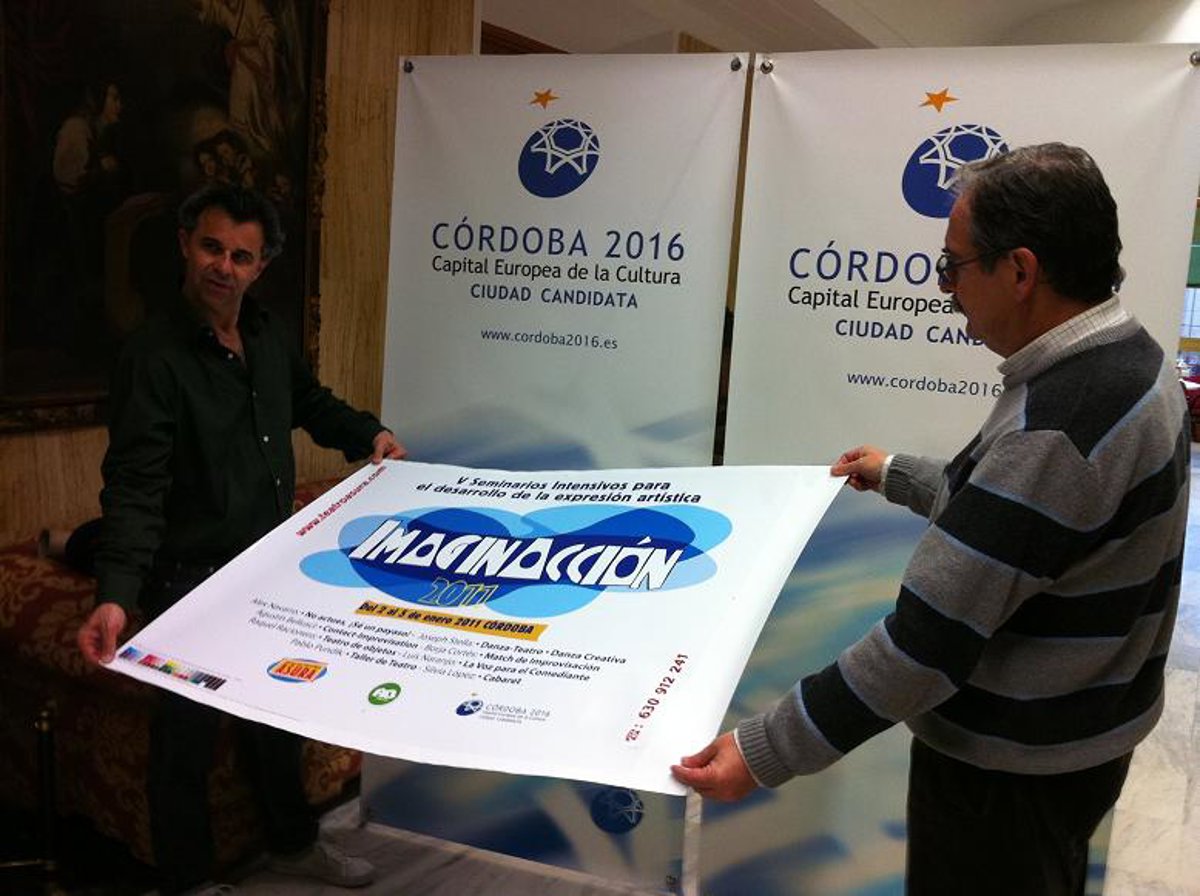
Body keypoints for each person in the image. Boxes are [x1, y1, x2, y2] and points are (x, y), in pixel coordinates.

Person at [671, 144, 1189, 895]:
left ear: (1020, 271)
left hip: (1006, 780)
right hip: (1081, 737)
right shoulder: (1133, 361)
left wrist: (764, 750)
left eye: (954, 266)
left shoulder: (1058, 425)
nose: (946, 290)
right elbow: (1034, 529)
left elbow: (925, 647)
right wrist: (900, 474)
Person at [76, 183, 406, 896]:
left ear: (261, 266)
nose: (223, 266)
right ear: (184, 245)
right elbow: (134, 485)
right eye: (211, 247)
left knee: (278, 715)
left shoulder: (265, 333)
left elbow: (308, 401)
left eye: (240, 256)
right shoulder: (153, 357)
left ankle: (293, 845)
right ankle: (190, 882)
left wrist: (368, 434)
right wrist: (116, 595)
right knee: (186, 741)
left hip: (267, 567)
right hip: (188, 579)